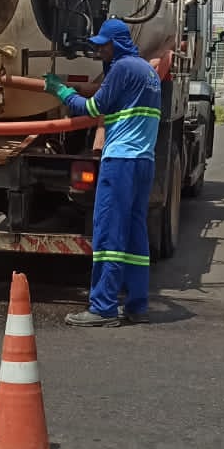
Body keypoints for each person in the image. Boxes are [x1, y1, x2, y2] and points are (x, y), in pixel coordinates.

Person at [43, 17, 162, 327]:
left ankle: (103, 307)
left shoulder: (123, 69)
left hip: (120, 161)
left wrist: (61, 91)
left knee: (109, 232)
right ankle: (137, 305)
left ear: (118, 43)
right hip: (143, 162)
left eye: (104, 46)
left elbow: (94, 109)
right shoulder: (148, 71)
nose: (100, 52)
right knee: (136, 235)